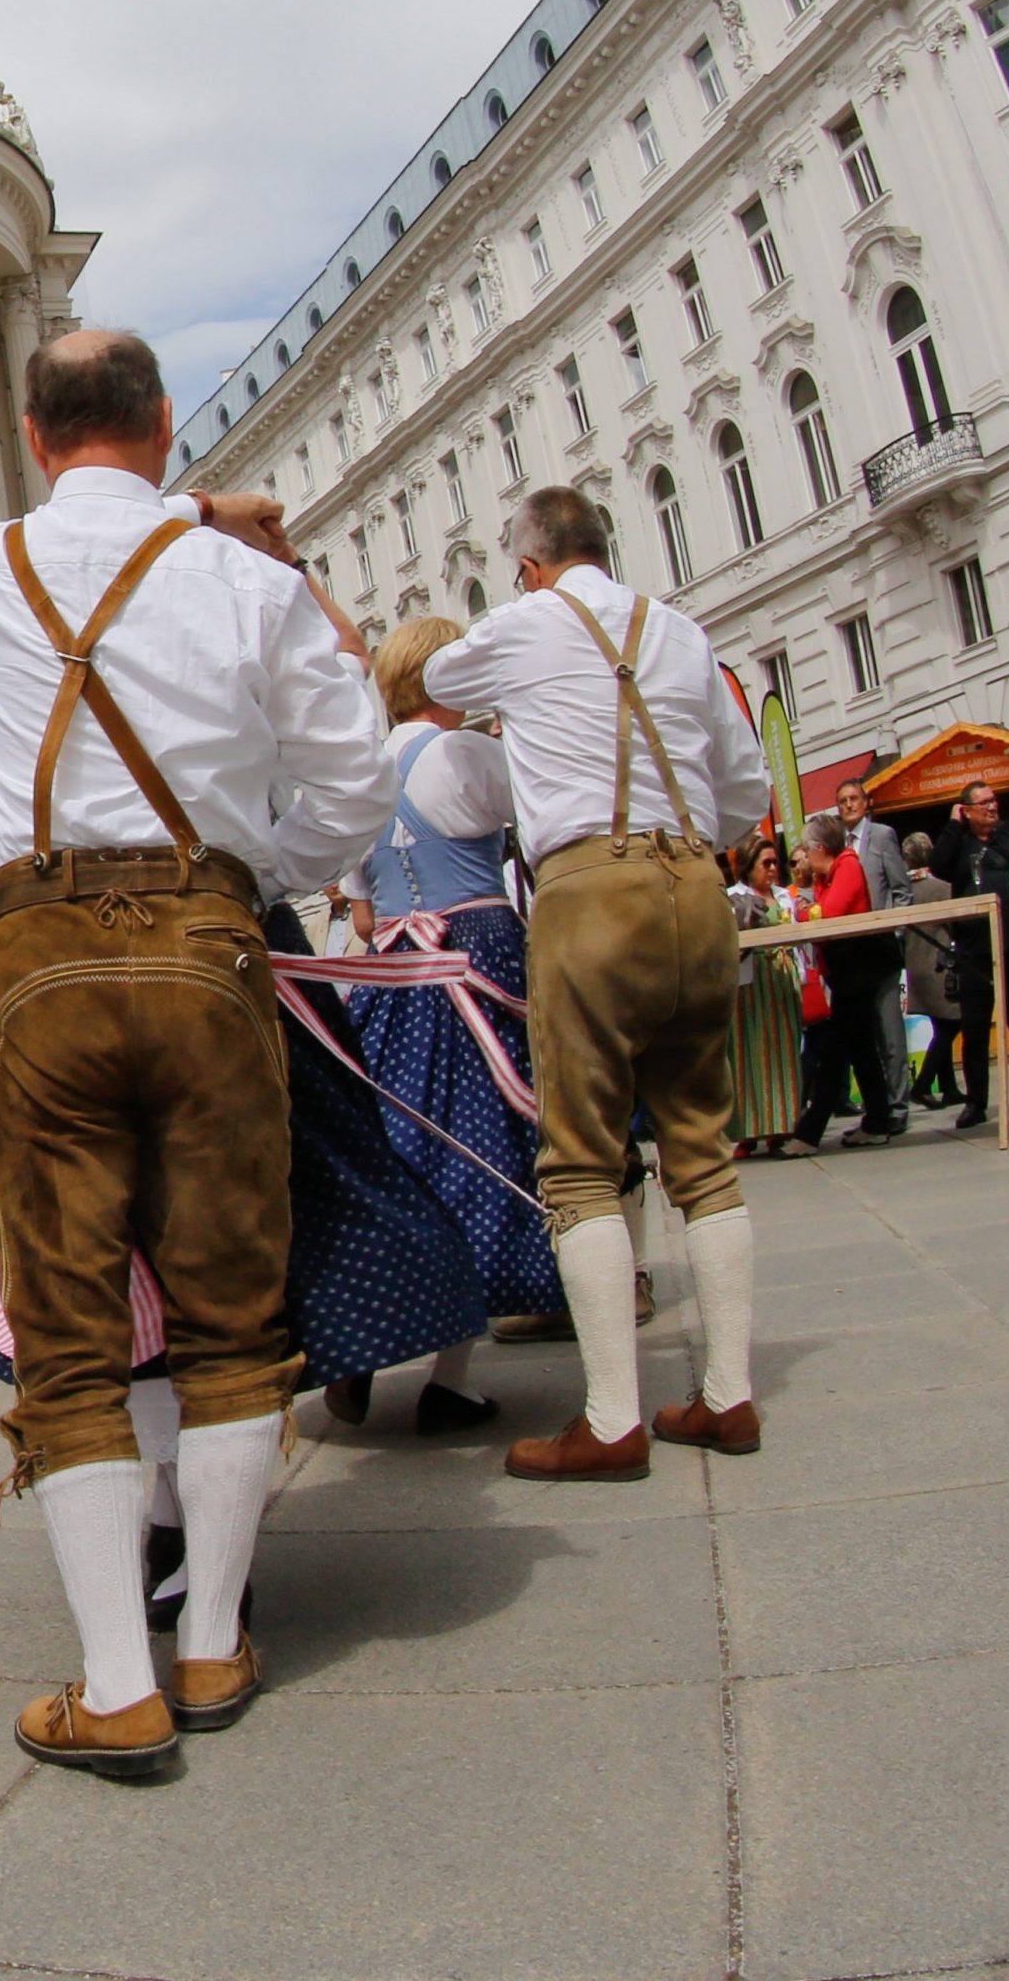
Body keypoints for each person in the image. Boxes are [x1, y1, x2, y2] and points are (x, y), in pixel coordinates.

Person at [0, 328, 390, 1778]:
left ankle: (112, 1686)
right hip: (210, 942)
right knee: (226, 1311)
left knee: (71, 1328)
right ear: (158, 422)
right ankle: (209, 1639)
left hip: (39, 961)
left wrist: (187, 506)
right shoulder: (247, 579)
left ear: (29, 435)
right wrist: (265, 880)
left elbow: (95, 515)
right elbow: (349, 779)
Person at [423, 484, 767, 1484]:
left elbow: (441, 675)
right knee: (703, 1144)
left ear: (528, 563)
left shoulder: (524, 619)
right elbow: (742, 786)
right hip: (695, 880)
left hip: (587, 888)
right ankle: (728, 1394)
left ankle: (611, 1417)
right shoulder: (681, 631)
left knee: (578, 1160)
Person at [335, 617, 554, 1432]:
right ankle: (450, 1379)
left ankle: (363, 1342)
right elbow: (544, 820)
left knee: (398, 1150)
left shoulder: (361, 773)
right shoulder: (465, 755)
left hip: (393, 975)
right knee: (488, 1144)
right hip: (474, 957)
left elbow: (360, 918)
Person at [791, 813, 900, 1149]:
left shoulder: (848, 866)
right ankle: (878, 1120)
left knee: (836, 1053)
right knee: (861, 1049)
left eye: (807, 851)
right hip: (846, 973)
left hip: (858, 971)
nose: (805, 859)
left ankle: (810, 1133)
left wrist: (806, 910)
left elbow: (829, 913)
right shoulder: (830, 874)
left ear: (820, 848)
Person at [932, 781, 1008, 1132]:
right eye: (983, 803)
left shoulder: (1008, 837)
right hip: (973, 949)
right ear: (967, 810)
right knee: (975, 1030)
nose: (992, 807)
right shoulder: (959, 845)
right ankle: (976, 1101)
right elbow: (938, 865)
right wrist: (953, 824)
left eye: (994, 800)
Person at [838, 778, 912, 1121]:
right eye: (842, 800)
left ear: (866, 803)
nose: (849, 805)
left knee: (890, 1032)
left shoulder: (882, 836)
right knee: (864, 1034)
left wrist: (895, 931)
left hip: (881, 946)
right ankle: (877, 1104)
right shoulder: (837, 843)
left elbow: (901, 888)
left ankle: (898, 1104)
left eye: (854, 799)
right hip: (851, 954)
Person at [728, 838, 806, 1157]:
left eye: (776, 863)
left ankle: (781, 1127)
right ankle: (748, 1132)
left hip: (781, 979)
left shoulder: (786, 898)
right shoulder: (733, 898)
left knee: (783, 1051)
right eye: (766, 863)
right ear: (749, 867)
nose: (773, 869)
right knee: (748, 1053)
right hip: (749, 981)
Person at [901, 830, 963, 1113]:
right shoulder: (940, 888)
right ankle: (923, 1084)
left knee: (940, 1026)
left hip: (914, 966)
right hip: (938, 965)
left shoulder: (902, 893)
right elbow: (955, 925)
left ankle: (949, 1089)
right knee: (951, 1024)